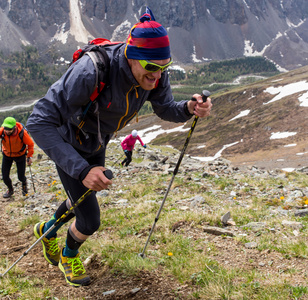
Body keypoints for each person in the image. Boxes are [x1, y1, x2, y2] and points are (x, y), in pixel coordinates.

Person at [26, 7, 212, 287]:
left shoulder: (155, 71)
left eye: (165, 67)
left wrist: (188, 108)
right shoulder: (90, 71)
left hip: (97, 139)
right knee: (90, 220)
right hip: (68, 141)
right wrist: (80, 170)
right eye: (152, 68)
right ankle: (68, 255)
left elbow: (164, 108)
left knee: (79, 200)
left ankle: (47, 229)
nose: (157, 77)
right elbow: (38, 121)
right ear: (131, 55)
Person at [0, 117, 34, 197]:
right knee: (5, 177)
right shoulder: (2, 131)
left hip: (20, 155)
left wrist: (29, 156)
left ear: (14, 127)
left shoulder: (22, 133)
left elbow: (30, 144)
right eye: (6, 128)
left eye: (9, 129)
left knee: (21, 176)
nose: (7, 131)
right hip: (7, 155)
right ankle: (10, 190)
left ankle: (24, 184)